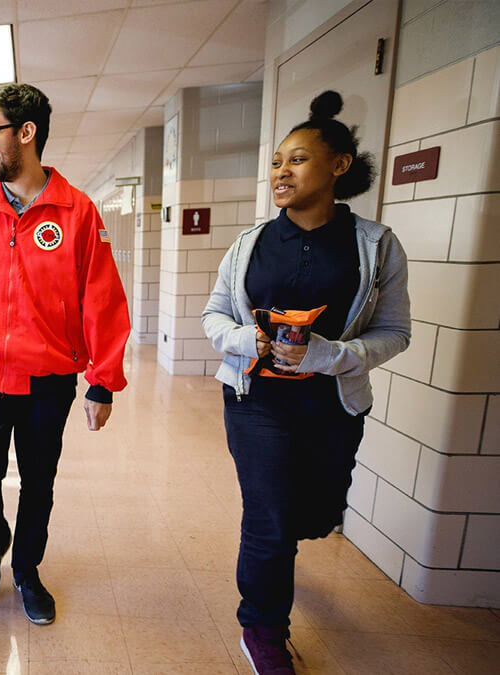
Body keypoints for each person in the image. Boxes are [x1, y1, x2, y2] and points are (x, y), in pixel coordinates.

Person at [202, 91, 411, 674]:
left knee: (312, 515)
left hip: (332, 405)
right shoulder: (250, 245)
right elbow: (214, 315)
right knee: (267, 515)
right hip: (255, 399)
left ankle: (290, 541)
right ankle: (263, 629)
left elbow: (396, 332)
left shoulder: (375, 246)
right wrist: (247, 341)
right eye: (276, 161)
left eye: (296, 159)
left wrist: (331, 355)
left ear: (338, 165)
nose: (280, 172)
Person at [0, 83, 131, 625]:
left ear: (26, 133)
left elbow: (102, 297)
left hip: (49, 378)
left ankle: (28, 570)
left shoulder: (77, 212)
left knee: (39, 481)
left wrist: (102, 380)